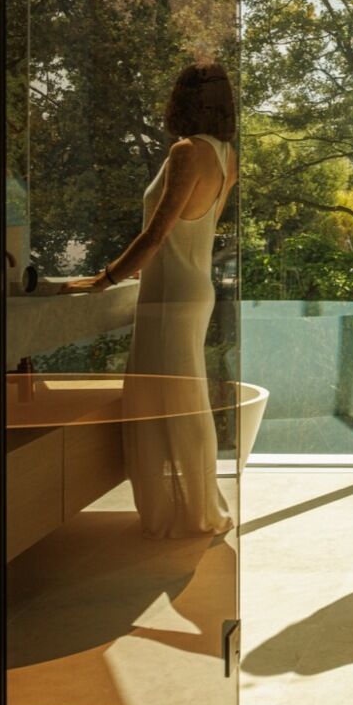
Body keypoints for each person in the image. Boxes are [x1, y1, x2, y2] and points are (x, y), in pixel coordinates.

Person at [63, 60, 238, 538]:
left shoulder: (186, 152)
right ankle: (195, 508)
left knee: (161, 404)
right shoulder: (227, 154)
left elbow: (156, 234)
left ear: (184, 100)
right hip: (193, 288)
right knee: (184, 401)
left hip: (170, 295)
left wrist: (103, 277)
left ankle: (181, 513)